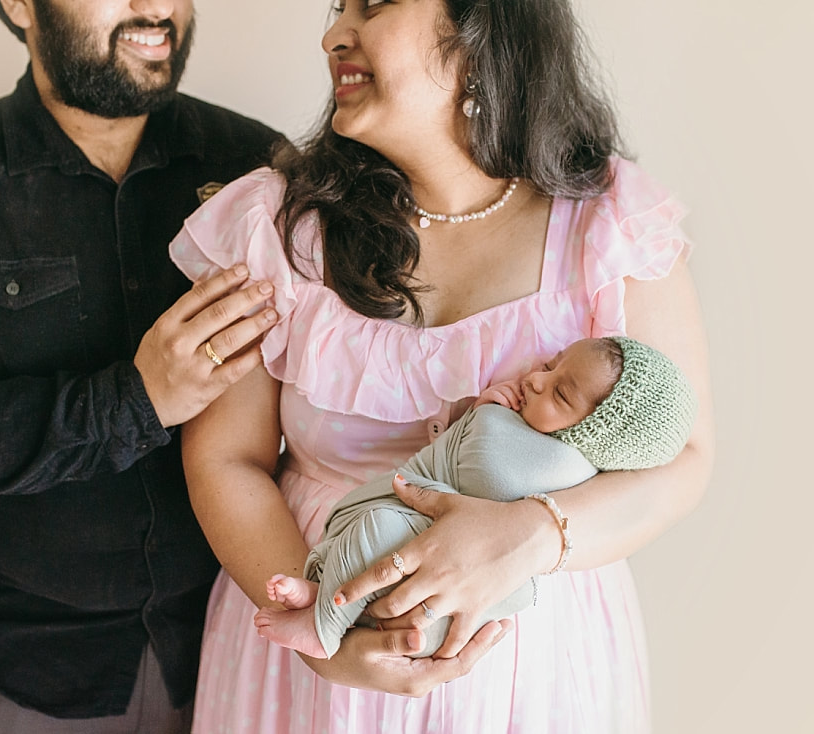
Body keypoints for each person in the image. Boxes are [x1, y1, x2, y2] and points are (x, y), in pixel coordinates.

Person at [169, 0, 713, 731]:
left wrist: (534, 533)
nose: (333, 35)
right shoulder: (274, 227)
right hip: (308, 632)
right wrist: (323, 637)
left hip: (534, 664)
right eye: (337, 10)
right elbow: (225, 460)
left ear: (484, 31)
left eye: (374, 4)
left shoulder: (607, 222)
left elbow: (683, 459)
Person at [0, 1, 286, 731]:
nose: (156, 7)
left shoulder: (255, 166)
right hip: (30, 672)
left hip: (242, 646)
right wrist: (137, 400)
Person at [252, 336, 698, 660]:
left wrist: (487, 417)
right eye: (551, 364)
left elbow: (485, 473)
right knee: (363, 538)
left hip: (460, 582)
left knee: (376, 532)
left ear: (591, 435)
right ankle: (319, 590)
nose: (537, 380)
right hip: (389, 530)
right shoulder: (527, 423)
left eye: (560, 393)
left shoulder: (561, 465)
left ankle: (322, 630)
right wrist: (481, 409)